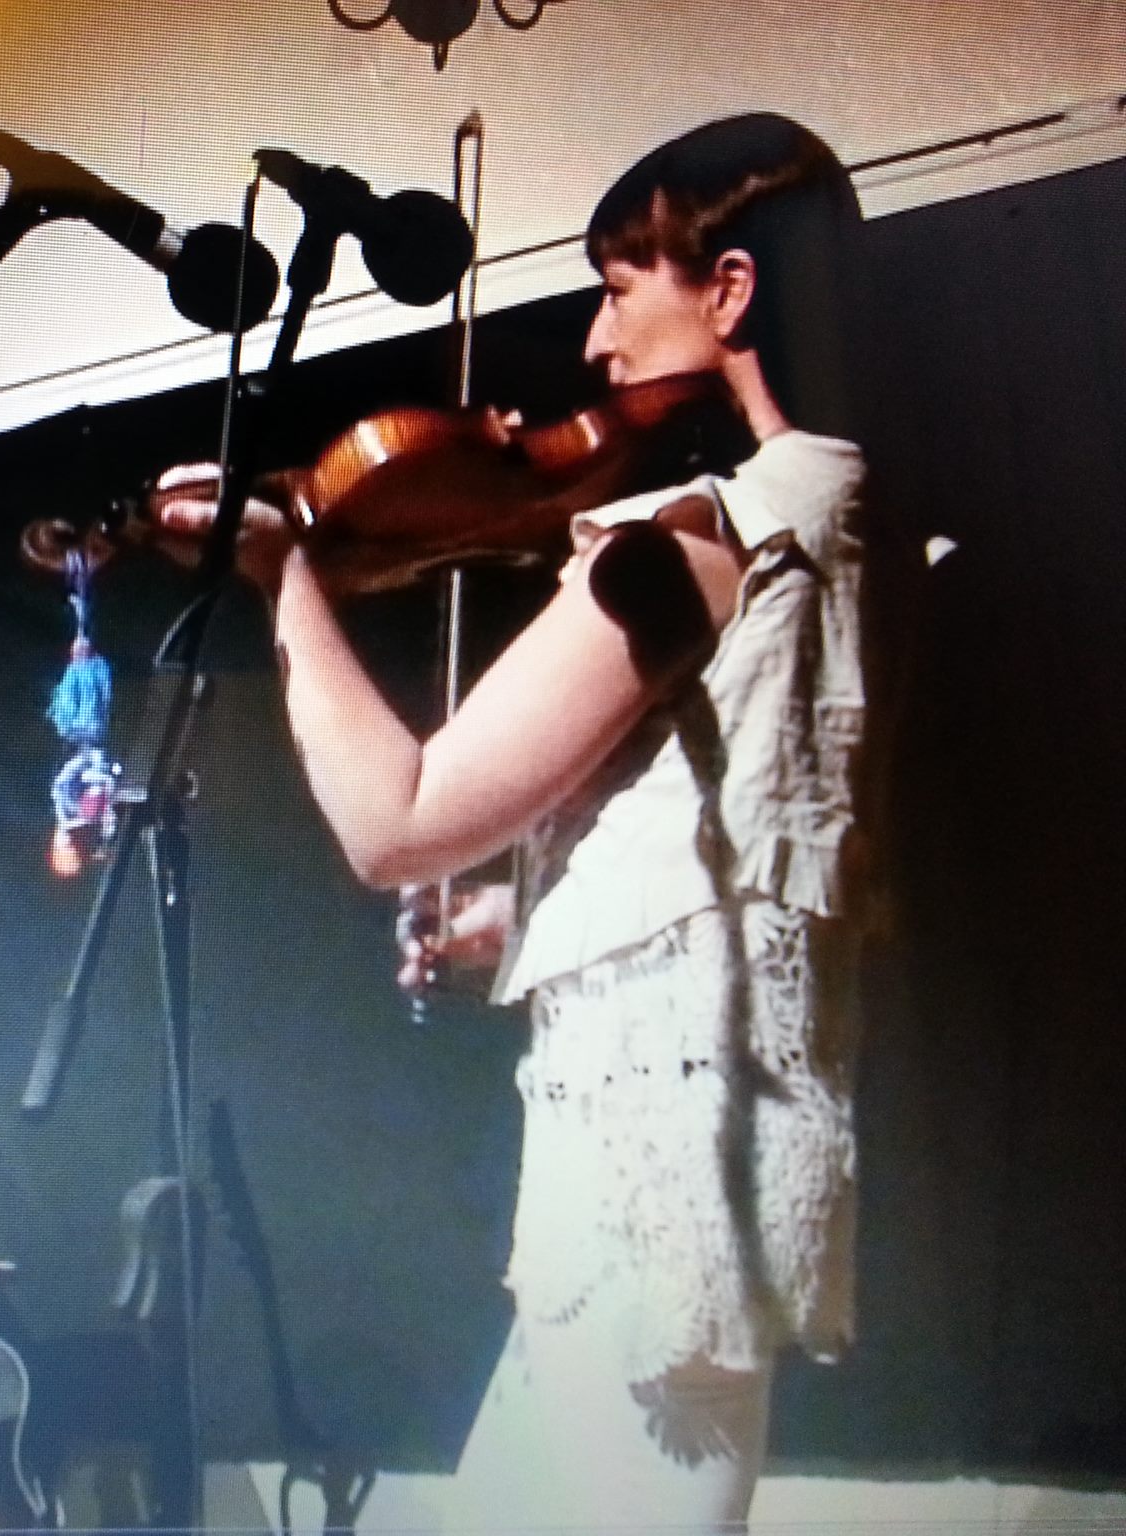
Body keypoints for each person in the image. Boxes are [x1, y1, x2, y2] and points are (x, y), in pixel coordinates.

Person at [161, 112, 879, 1529]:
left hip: (655, 1184)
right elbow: (750, 833)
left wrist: (281, 576)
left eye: (617, 289)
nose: (596, 346)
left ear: (728, 290)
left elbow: (396, 822)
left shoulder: (715, 537)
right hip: (697, 1151)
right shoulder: (847, 508)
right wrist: (527, 909)